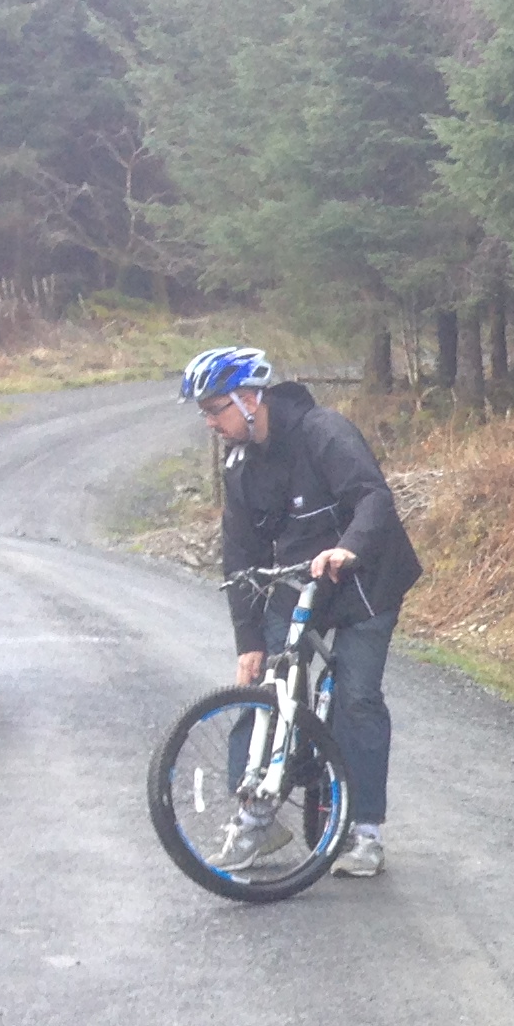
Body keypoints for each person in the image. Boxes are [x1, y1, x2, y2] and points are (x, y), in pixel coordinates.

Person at [175, 347, 423, 878]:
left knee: (357, 697)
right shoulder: (239, 463)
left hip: (364, 582)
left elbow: (372, 498)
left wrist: (348, 547)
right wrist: (249, 641)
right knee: (266, 687)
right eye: (205, 412)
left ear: (249, 400)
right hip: (298, 581)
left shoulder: (323, 431)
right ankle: (254, 817)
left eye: (216, 408)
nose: (211, 422)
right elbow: (240, 556)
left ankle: (365, 833)